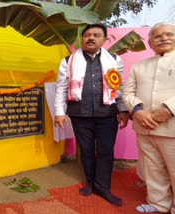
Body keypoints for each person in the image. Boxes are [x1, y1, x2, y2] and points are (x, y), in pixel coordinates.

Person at [54, 23, 129, 206]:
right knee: (86, 151)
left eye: (96, 35)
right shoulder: (68, 61)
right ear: (82, 39)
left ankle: (103, 187)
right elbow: (61, 88)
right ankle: (90, 183)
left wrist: (124, 109)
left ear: (104, 39)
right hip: (80, 114)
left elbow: (119, 86)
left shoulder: (114, 59)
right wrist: (59, 112)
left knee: (105, 151)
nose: (91, 38)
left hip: (107, 114)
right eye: (87, 35)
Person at [123, 22, 175, 214]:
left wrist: (169, 110)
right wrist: (137, 111)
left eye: (169, 34)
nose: (164, 38)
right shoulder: (139, 66)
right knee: (152, 169)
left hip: (172, 126)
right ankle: (158, 204)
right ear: (150, 42)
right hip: (144, 126)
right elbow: (127, 93)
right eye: (158, 36)